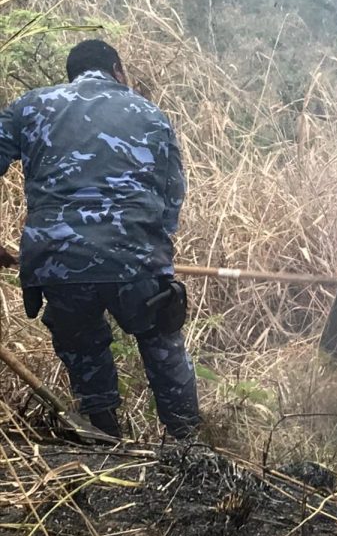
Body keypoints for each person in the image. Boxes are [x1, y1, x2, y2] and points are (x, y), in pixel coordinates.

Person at [0, 40, 200, 439]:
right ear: (117, 69)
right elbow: (172, 195)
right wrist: (151, 252)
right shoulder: (150, 113)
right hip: (136, 258)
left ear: (71, 74)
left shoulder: (32, 106)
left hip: (58, 260)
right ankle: (189, 442)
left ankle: (105, 436)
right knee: (161, 339)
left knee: (83, 344)